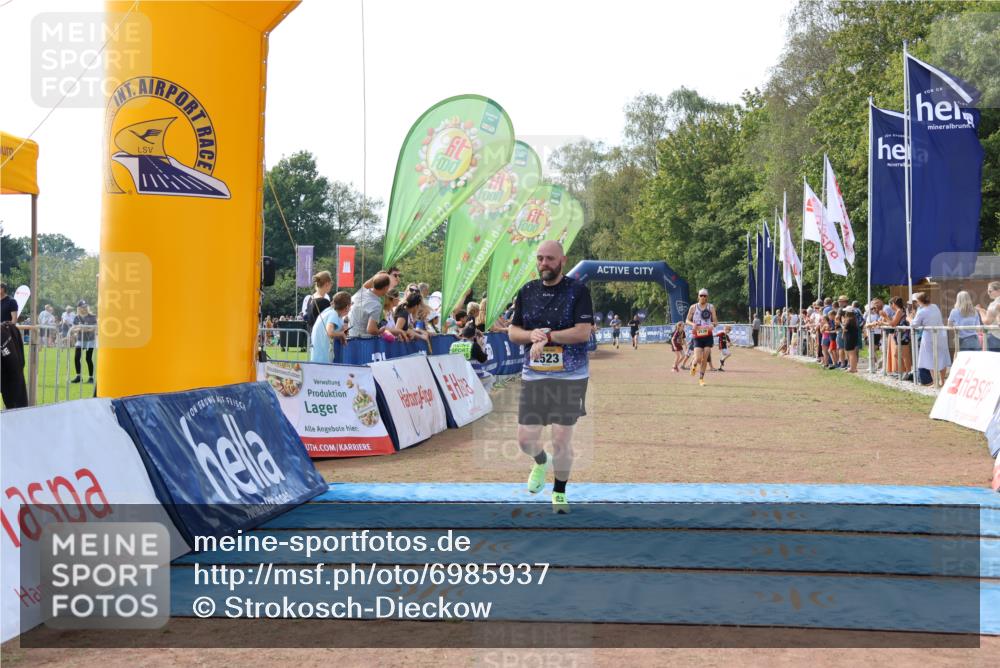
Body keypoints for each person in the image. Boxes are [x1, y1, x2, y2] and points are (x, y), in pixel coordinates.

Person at [507, 240, 593, 514]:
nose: (544, 264)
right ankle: (541, 462)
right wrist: (531, 336)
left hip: (570, 376)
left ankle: (558, 492)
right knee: (524, 440)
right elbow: (513, 332)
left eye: (550, 259)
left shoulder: (578, 291)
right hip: (535, 376)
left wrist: (548, 337)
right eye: (540, 259)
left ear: (562, 261)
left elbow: (582, 332)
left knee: (560, 439)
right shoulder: (527, 292)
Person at [911, 292, 951, 387]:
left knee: (930, 358)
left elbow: (914, 325)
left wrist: (909, 318)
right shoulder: (934, 306)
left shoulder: (921, 311)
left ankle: (935, 381)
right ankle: (942, 381)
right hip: (940, 334)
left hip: (929, 336)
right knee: (941, 356)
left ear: (919, 301)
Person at [685, 288, 718, 387]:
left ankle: (701, 379)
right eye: (701, 295)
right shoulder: (693, 307)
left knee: (705, 358)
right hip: (697, 335)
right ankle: (693, 365)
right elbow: (687, 320)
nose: (703, 297)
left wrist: (713, 325)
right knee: (698, 358)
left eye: (705, 296)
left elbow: (716, 321)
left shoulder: (711, 307)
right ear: (698, 296)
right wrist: (692, 324)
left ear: (707, 297)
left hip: (708, 335)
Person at [450, 322, 494, 391]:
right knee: (491, 377)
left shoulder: (453, 344)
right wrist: (481, 346)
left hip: (458, 375)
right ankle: (484, 398)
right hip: (474, 375)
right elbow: (483, 360)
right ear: (474, 336)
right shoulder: (474, 345)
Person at [310, 291, 351, 364]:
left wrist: (341, 335)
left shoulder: (330, 311)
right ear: (347, 306)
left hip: (318, 354)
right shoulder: (333, 314)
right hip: (322, 356)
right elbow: (330, 332)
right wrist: (342, 334)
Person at [349, 272, 391, 338]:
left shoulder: (361, 293)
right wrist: (380, 331)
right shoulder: (376, 305)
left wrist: (377, 276)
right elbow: (371, 329)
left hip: (350, 337)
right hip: (363, 342)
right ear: (386, 288)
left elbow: (366, 285)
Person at [70, 300, 97, 383]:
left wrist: (86, 329)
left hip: (90, 340)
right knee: (77, 357)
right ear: (79, 308)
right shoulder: (76, 317)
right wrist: (80, 329)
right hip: (80, 340)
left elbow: (94, 327)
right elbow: (73, 328)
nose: (84, 308)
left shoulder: (92, 316)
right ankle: (78, 377)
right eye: (82, 307)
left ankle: (91, 378)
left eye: (85, 306)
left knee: (88, 358)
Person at [975, 281, 1000, 352]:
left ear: (998, 291)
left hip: (995, 336)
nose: (988, 293)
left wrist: (981, 311)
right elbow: (994, 316)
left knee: (993, 361)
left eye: (990, 291)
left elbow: (987, 321)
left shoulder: (994, 304)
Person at [842, 308, 860, 373]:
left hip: (849, 338)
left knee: (851, 353)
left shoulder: (849, 320)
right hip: (853, 338)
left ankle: (852, 368)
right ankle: (854, 367)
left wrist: (842, 323)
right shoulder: (854, 320)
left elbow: (845, 329)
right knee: (853, 353)